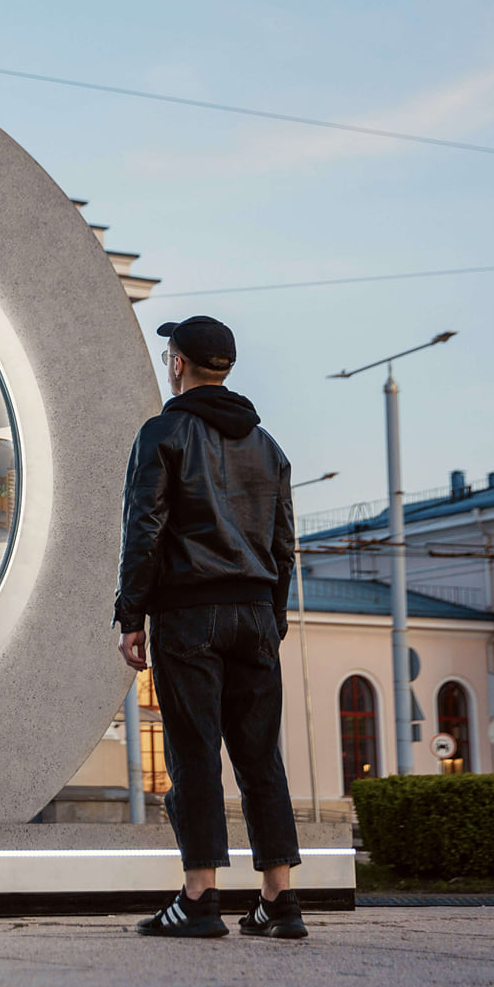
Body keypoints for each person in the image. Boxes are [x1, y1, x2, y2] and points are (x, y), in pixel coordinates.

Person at [117, 315, 304, 941]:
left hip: (189, 613)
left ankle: (200, 897)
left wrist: (130, 614)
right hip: (254, 614)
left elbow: (144, 527)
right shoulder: (268, 445)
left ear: (178, 365)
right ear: (224, 368)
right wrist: (270, 617)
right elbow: (284, 545)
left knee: (194, 756)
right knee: (260, 759)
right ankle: (279, 901)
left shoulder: (163, 433)